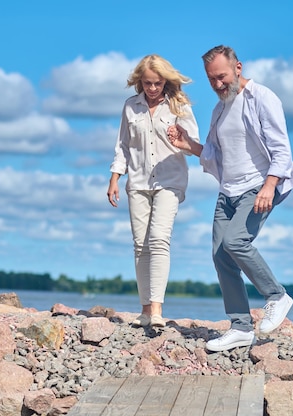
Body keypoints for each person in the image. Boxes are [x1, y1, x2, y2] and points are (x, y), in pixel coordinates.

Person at [168, 45, 293, 351]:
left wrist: (269, 186)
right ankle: (241, 326)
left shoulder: (261, 98)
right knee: (221, 255)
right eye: (211, 79)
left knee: (235, 242)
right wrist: (187, 144)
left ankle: (276, 295)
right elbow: (215, 155)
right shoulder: (219, 110)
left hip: (257, 186)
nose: (218, 84)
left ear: (238, 68)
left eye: (222, 76)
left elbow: (282, 149)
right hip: (227, 191)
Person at [108, 54, 200, 328]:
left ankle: (157, 310)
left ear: (165, 81)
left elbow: (194, 144)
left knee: (159, 239)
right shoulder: (130, 107)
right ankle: (145, 309)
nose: (152, 89)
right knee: (140, 245)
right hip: (136, 182)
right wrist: (114, 178)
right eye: (147, 83)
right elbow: (122, 146)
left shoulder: (178, 105)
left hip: (169, 181)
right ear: (140, 82)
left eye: (157, 83)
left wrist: (181, 140)